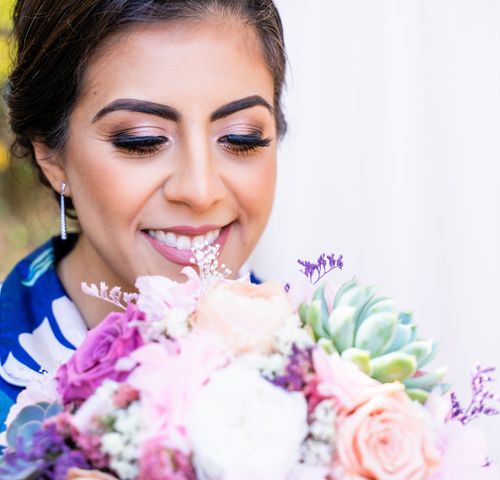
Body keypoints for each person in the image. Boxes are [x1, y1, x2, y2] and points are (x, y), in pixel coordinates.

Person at [0, 0, 287, 427]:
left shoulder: (340, 379)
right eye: (142, 140)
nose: (200, 190)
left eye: (240, 138)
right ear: (51, 154)